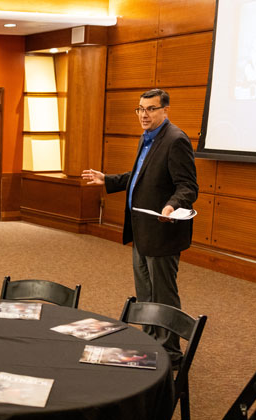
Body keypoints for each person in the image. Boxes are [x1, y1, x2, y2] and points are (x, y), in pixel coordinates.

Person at [82, 88, 198, 365]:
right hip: (142, 229)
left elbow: (188, 186)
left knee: (163, 293)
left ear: (165, 110)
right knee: (145, 292)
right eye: (140, 109)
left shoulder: (175, 140)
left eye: (151, 109)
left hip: (162, 230)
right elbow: (140, 177)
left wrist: (171, 205)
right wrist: (108, 180)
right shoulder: (147, 138)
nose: (144, 115)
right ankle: (150, 342)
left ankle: (170, 352)